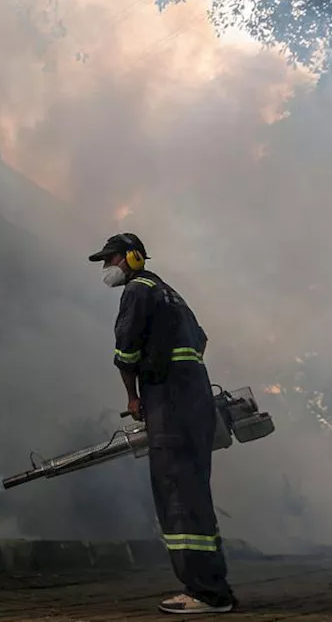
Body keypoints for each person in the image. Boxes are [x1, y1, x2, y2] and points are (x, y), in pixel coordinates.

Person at [89, 232, 238, 614]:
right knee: (193, 492)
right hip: (195, 401)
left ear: (133, 257)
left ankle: (205, 593)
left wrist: (134, 396)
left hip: (169, 404)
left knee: (177, 495)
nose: (108, 267)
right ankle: (212, 586)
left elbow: (125, 352)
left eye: (112, 259)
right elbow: (200, 341)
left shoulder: (138, 290)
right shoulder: (171, 293)